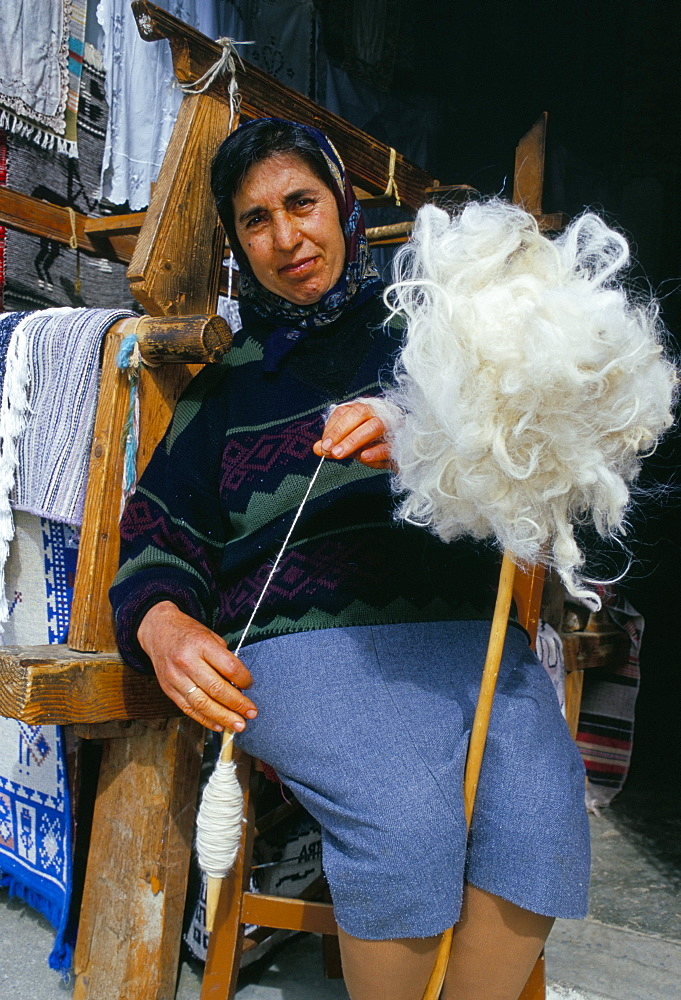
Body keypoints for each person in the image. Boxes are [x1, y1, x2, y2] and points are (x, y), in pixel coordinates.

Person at [110, 118, 590, 1000]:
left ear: (343, 208)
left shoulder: (432, 337)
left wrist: (430, 438)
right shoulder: (223, 392)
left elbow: (536, 443)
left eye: (302, 203)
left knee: (540, 817)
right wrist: (164, 624)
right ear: (236, 242)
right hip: (302, 643)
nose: (286, 237)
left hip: (459, 634)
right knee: (405, 820)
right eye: (255, 220)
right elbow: (155, 534)